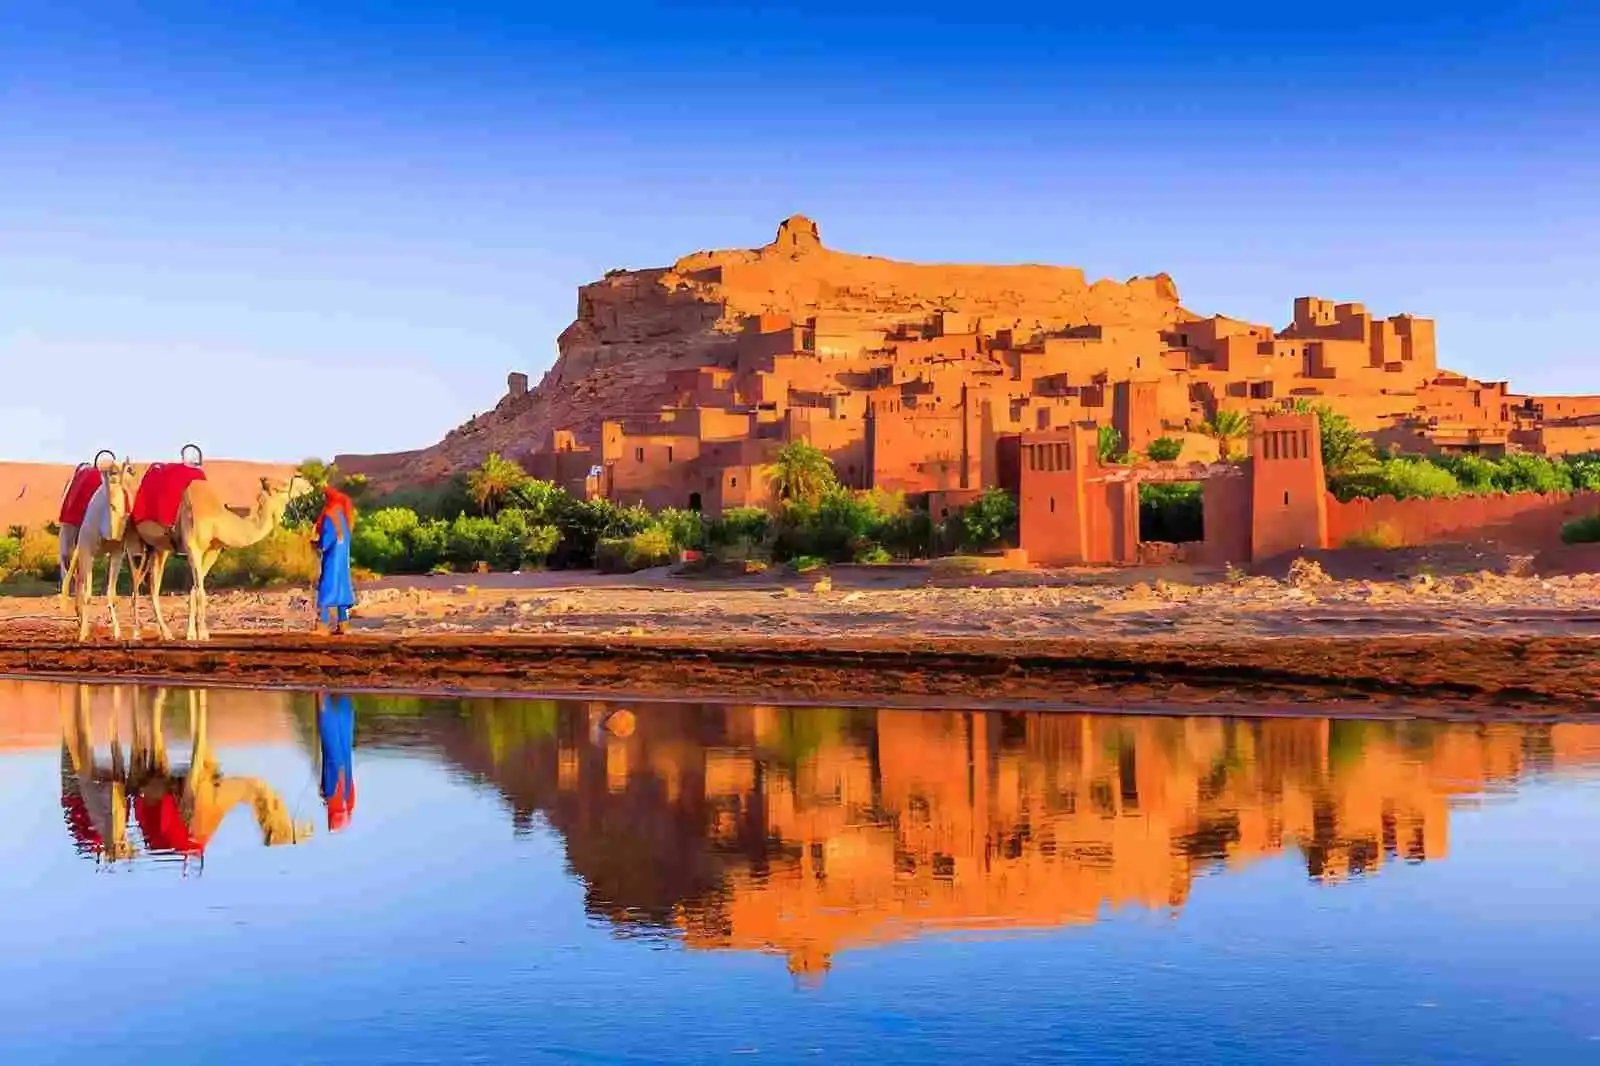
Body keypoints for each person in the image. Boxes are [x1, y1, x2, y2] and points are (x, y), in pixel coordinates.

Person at [313, 485, 357, 635]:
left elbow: (326, 541)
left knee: (326, 588)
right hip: (343, 562)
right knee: (342, 590)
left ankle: (323, 626)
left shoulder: (329, 515)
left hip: (332, 559)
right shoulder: (343, 517)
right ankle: (343, 625)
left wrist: (316, 545)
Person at [317, 692, 356, 833]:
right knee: (332, 741)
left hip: (344, 769)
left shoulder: (349, 802)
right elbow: (337, 773)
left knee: (343, 743)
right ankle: (323, 691)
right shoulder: (336, 800)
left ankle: (344, 692)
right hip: (339, 773)